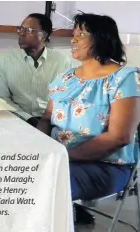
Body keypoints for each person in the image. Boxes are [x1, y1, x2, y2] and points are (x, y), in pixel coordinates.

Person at [37, 13, 140, 225]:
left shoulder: (124, 78)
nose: (73, 40)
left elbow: (118, 137)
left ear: (101, 38)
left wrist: (64, 156)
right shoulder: (65, 78)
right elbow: (47, 119)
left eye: (81, 34)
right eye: (73, 34)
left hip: (105, 166)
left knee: (42, 183)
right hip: (59, 159)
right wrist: (37, 148)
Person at [0, 13, 75, 127]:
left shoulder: (62, 62)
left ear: (44, 36)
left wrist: (46, 121)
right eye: (21, 29)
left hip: (52, 123)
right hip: (16, 121)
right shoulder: (5, 61)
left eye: (29, 30)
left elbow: (66, 99)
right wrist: (28, 119)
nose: (22, 33)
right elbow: (2, 98)